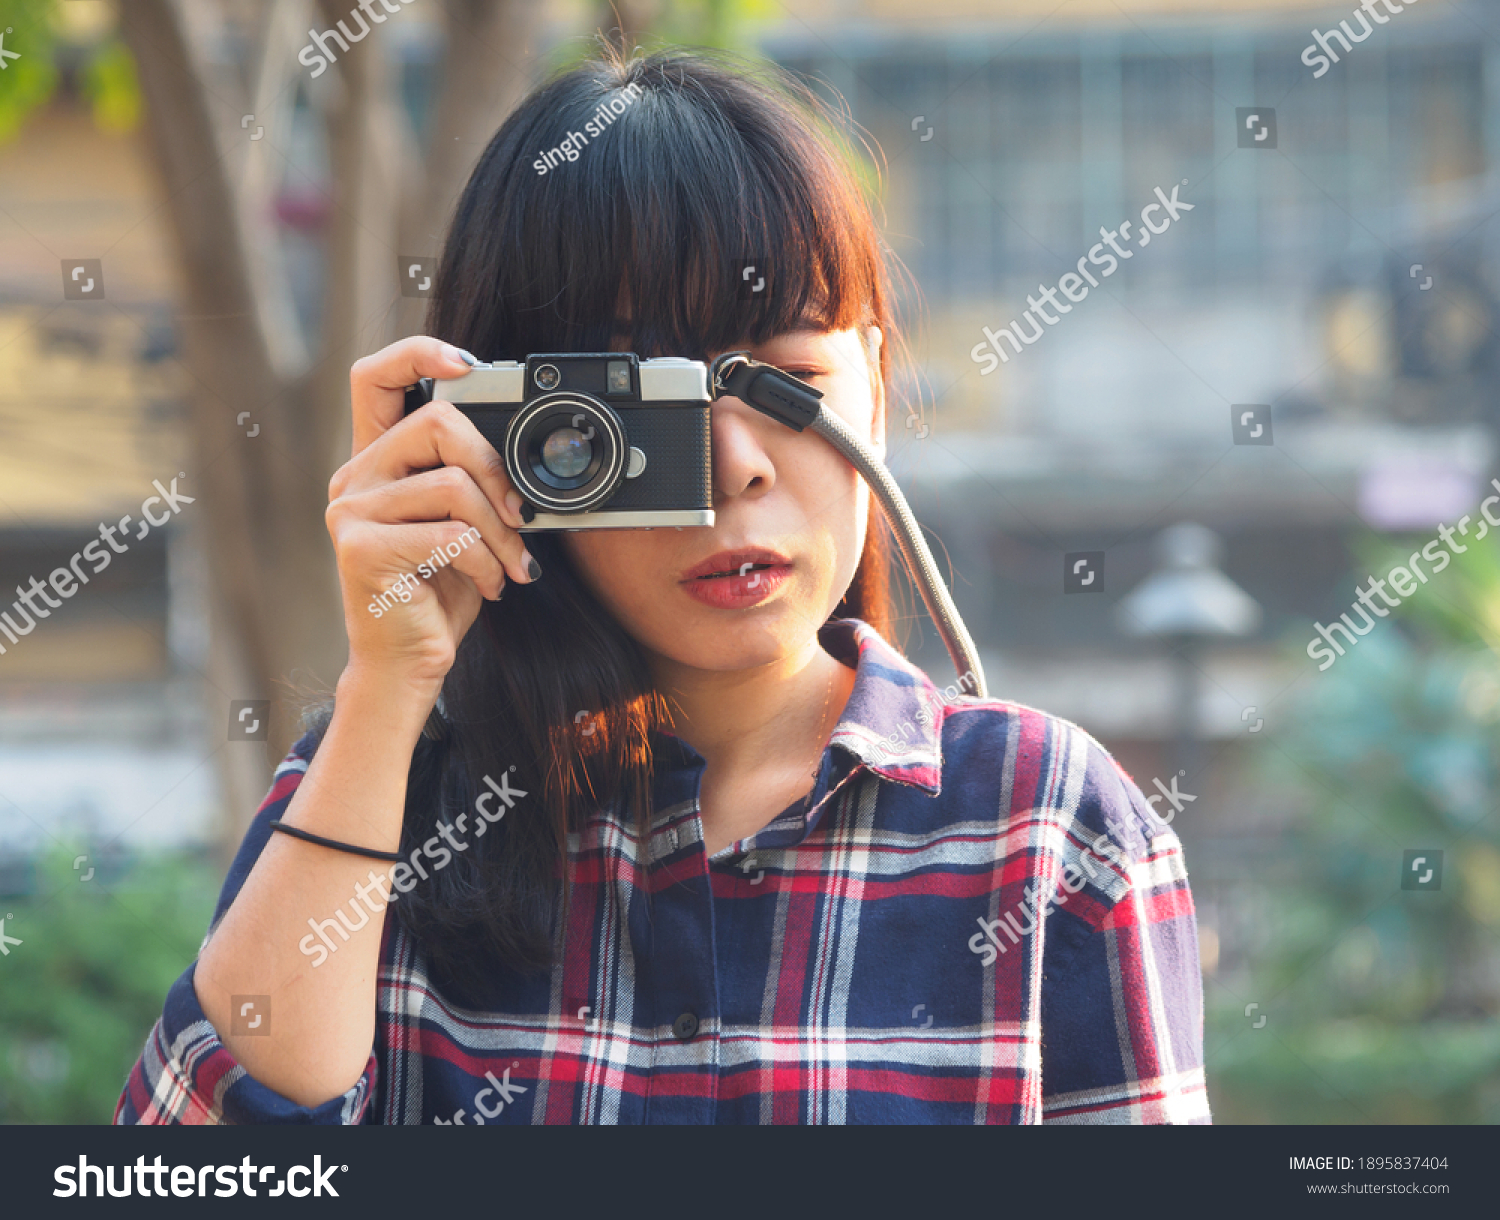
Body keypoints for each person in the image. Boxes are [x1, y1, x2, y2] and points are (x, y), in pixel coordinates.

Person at [116, 46, 1209, 1125]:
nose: (736, 465)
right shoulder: (384, 793)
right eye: (641, 411)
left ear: (875, 389)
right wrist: (387, 688)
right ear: (504, 437)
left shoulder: (1044, 827)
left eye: (789, 385)